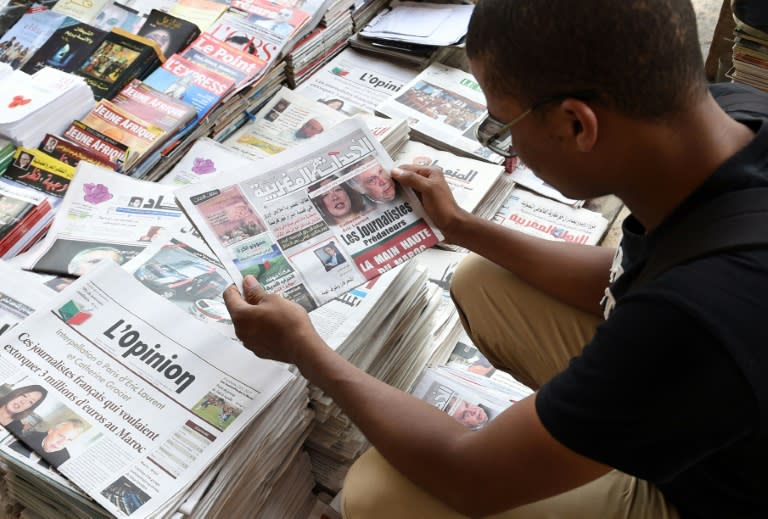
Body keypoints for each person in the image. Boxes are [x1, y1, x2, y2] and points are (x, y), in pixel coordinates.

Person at [223, 1, 768, 518]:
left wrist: (304, 350)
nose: (506, 145)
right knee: (484, 278)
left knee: (377, 492)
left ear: (577, 125)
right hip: (708, 402)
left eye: (502, 128)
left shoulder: (696, 314)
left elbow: (470, 478)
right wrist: (460, 227)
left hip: (711, 492)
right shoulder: (730, 119)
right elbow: (628, 271)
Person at [10, 419, 84, 469]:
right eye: (61, 436)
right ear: (51, 431)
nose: (61, 442)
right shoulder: (27, 436)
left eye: (69, 440)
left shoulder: (65, 460)